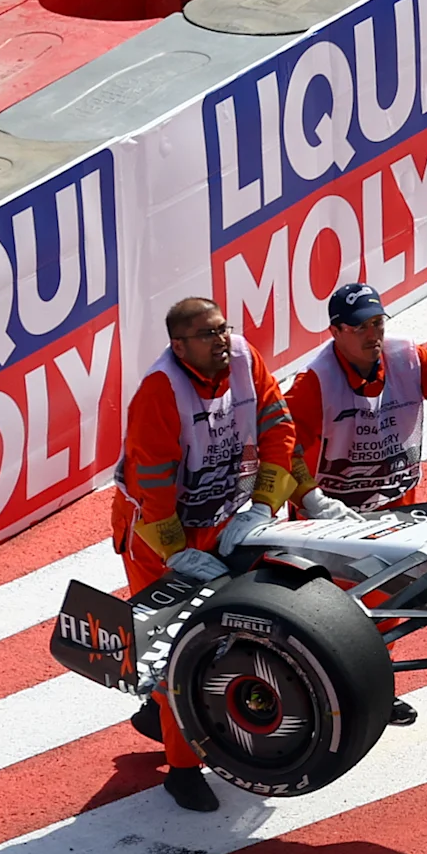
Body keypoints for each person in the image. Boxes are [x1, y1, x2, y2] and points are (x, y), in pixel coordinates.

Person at [116, 297, 299, 811]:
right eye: (207, 334)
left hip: (224, 516)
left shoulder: (245, 359)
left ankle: (159, 715)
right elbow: (151, 485)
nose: (222, 340)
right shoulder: (158, 392)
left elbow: (278, 430)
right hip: (157, 533)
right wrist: (176, 553)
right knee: (178, 648)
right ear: (179, 347)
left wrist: (262, 505)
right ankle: (181, 769)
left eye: (223, 329)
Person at [280, 282, 427, 515]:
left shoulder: (408, 359)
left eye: (377, 323)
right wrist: (314, 501)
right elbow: (281, 449)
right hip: (328, 520)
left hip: (399, 514)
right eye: (360, 327)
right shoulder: (314, 383)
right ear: (335, 332)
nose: (372, 335)